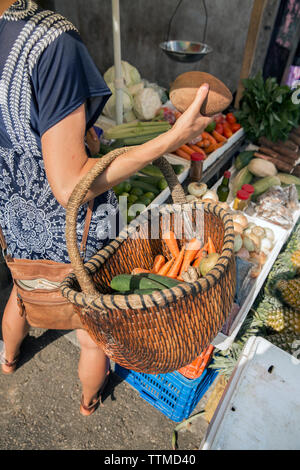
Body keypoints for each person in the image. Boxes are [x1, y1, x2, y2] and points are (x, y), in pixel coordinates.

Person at [0, 0, 212, 416]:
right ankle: (88, 402)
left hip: (14, 211)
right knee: (92, 330)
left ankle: (7, 361)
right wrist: (171, 139)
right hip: (70, 229)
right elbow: (70, 186)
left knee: (23, 293)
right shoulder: (52, 39)